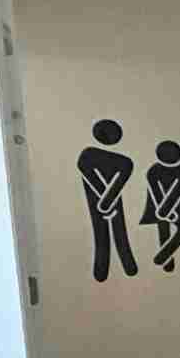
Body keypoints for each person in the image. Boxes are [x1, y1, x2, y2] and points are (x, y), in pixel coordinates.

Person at [77, 118, 138, 282]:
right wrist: (107, 200)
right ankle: (122, 269)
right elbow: (85, 168)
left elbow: (84, 167)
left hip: (106, 198)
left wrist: (106, 200)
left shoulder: (89, 155)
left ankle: (109, 271)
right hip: (107, 198)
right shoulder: (123, 161)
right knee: (114, 233)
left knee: (108, 234)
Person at [141, 139, 180, 272]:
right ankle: (166, 263)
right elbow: (155, 191)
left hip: (172, 205)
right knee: (165, 229)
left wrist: (166, 210)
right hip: (159, 205)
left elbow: (177, 190)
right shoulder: (155, 170)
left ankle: (163, 258)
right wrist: (164, 211)